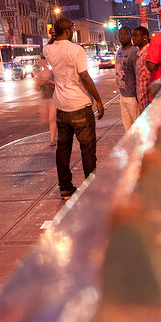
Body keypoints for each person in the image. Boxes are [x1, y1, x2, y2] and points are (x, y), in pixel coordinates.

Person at [43, 17, 105, 201]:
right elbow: (84, 76)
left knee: (63, 149)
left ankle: (65, 189)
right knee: (87, 149)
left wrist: (54, 36)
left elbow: (49, 44)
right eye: (72, 28)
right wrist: (98, 100)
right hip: (79, 105)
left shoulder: (48, 49)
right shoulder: (76, 50)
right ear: (69, 31)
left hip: (61, 107)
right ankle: (91, 187)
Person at [113, 27, 140, 131]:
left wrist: (138, 96)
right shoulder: (119, 51)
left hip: (133, 96)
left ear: (130, 36)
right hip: (123, 94)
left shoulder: (134, 52)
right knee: (127, 127)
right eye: (120, 34)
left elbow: (137, 73)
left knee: (137, 126)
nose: (122, 36)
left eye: (125, 34)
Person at [34, 57, 57, 146]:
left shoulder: (52, 73)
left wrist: (50, 82)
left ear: (46, 61)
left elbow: (57, 83)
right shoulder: (39, 75)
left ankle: (52, 139)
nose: (40, 63)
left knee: (52, 119)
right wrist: (40, 84)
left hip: (52, 99)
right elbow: (36, 88)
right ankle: (53, 131)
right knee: (45, 120)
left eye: (41, 61)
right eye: (39, 62)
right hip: (44, 100)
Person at [131, 26, 152, 112]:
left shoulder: (147, 53)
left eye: (136, 36)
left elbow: (148, 79)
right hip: (143, 101)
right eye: (132, 36)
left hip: (148, 101)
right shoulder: (140, 54)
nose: (133, 38)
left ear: (145, 37)